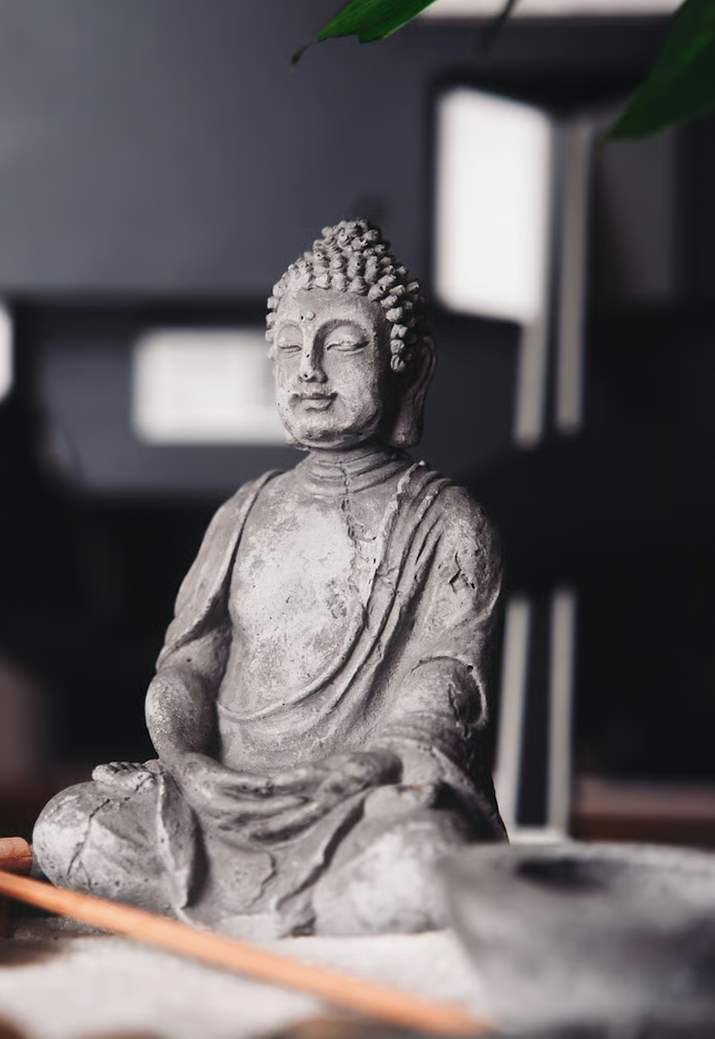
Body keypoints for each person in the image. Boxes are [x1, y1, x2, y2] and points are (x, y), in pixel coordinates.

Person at [32, 221, 506, 937]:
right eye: (289, 347)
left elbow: (450, 680)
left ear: (411, 369)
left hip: (356, 801)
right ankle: (319, 917)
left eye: (342, 345)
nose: (309, 369)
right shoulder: (245, 511)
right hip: (219, 800)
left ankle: (297, 907)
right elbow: (190, 663)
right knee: (69, 827)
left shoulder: (448, 521)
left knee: (420, 861)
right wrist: (185, 759)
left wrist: (368, 765)